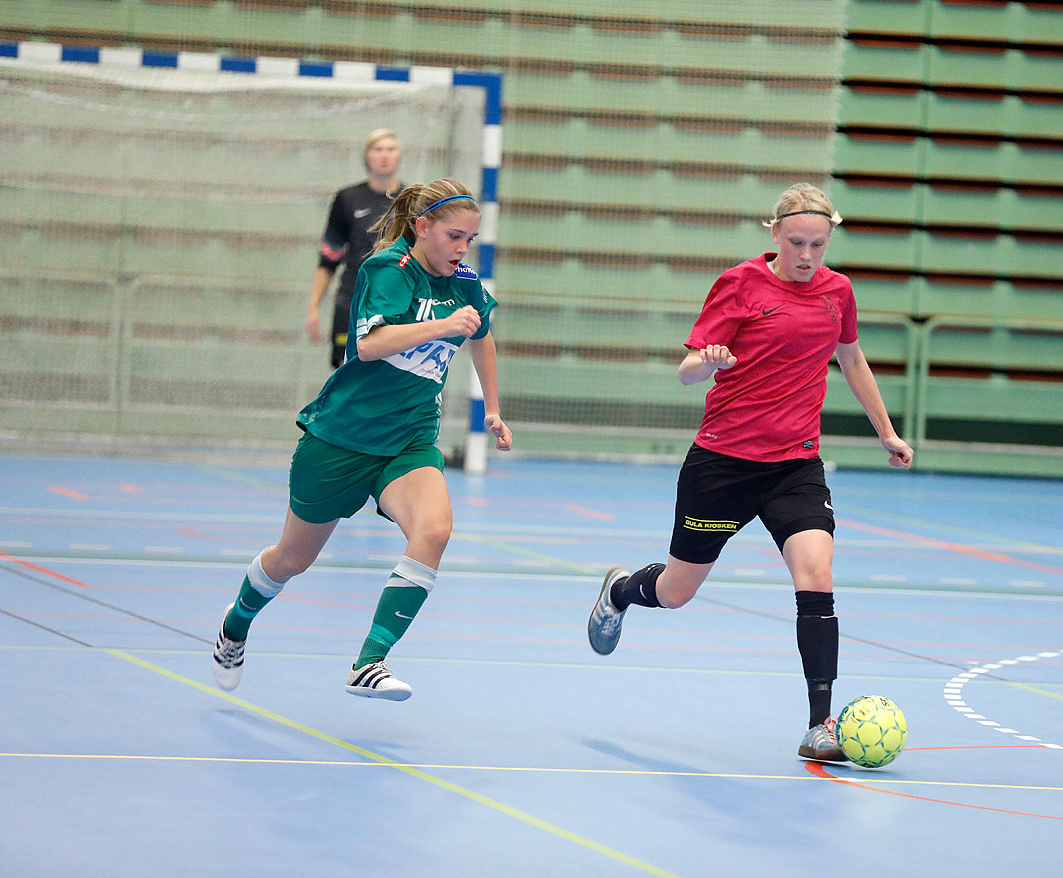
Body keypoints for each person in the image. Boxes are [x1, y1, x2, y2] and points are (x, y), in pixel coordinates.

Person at [586, 182, 914, 761]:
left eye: (818, 243)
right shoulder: (739, 284)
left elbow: (851, 357)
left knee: (817, 576)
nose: (807, 256)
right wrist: (705, 363)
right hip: (723, 465)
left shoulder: (838, 291)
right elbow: (686, 373)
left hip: (794, 465)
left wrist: (885, 430)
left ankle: (820, 726)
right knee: (677, 592)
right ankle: (620, 590)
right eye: (796, 243)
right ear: (774, 234)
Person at [213, 178, 512, 700]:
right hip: (341, 440)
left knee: (435, 530)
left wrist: (493, 407)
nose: (462, 249)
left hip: (409, 440)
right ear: (422, 228)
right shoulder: (386, 271)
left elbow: (481, 336)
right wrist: (441, 325)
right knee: (290, 560)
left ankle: (369, 662)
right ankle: (235, 624)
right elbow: (371, 344)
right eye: (453, 237)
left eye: (470, 239)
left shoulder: (464, 282)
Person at [306, 129, 403, 368]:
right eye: (378, 150)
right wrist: (313, 307)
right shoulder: (347, 198)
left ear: (399, 156)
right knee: (347, 372)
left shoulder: (409, 200)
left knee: (388, 374)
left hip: (395, 301)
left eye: (390, 149)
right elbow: (329, 257)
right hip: (352, 299)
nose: (384, 156)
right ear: (366, 156)